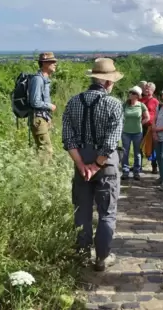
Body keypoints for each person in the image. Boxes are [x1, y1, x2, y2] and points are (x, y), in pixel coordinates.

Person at [61, 58, 124, 272]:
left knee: (82, 211)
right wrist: (97, 165)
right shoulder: (114, 104)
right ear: (107, 82)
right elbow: (111, 141)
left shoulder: (73, 102)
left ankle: (82, 253)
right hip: (105, 165)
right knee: (107, 212)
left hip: (81, 162)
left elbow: (67, 138)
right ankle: (102, 257)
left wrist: (81, 164)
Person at [28, 52, 58, 163]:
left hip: (42, 118)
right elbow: (35, 102)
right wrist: (50, 106)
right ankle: (43, 173)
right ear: (44, 63)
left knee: (43, 149)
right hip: (38, 119)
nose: (55, 64)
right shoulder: (38, 79)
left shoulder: (44, 79)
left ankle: (42, 171)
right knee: (46, 150)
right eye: (52, 62)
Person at [121, 86, 150, 180]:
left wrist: (141, 124)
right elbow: (119, 115)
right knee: (125, 152)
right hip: (126, 132)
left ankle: (136, 172)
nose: (131, 94)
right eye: (130, 92)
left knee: (137, 152)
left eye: (133, 93)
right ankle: (125, 171)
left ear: (137, 96)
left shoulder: (141, 105)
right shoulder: (125, 105)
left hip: (137, 132)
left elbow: (147, 117)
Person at [140, 82, 160, 173]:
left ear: (153, 90)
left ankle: (154, 166)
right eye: (146, 88)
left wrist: (155, 125)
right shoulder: (141, 100)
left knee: (152, 147)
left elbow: (158, 114)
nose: (147, 90)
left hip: (151, 127)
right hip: (140, 126)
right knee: (139, 146)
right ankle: (138, 166)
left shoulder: (155, 101)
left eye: (149, 88)